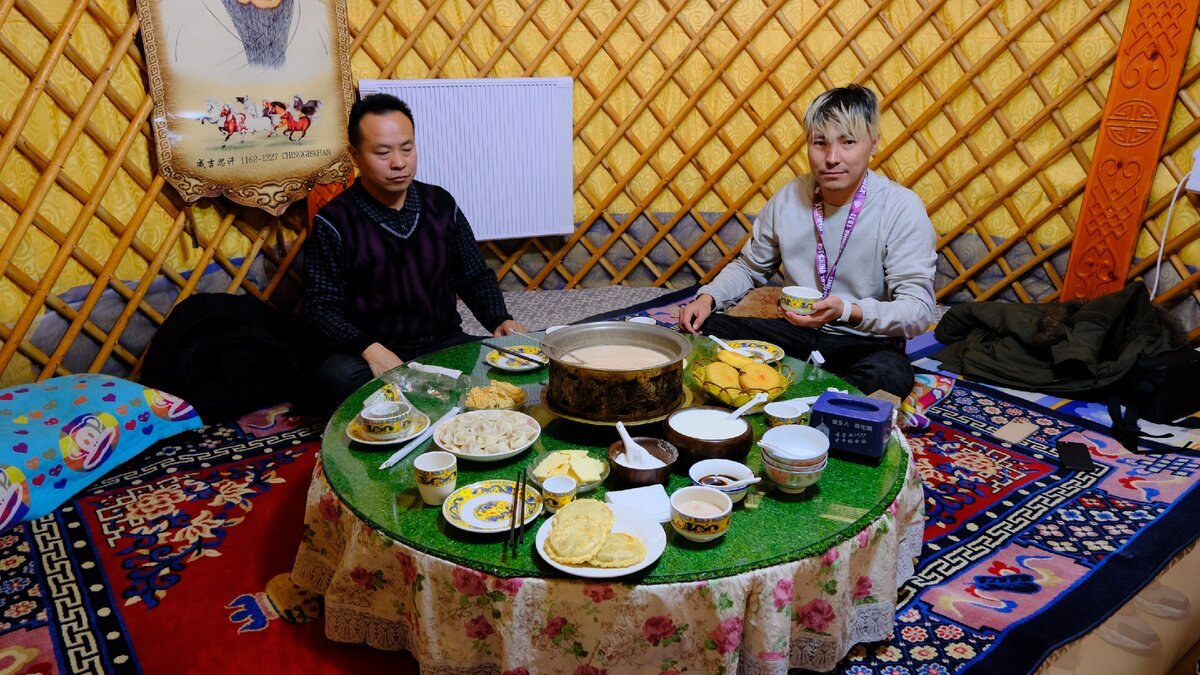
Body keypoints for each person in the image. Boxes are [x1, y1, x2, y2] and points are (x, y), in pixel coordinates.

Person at [678, 85, 936, 399]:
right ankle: (809, 395)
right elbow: (749, 268)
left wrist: (847, 310)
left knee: (889, 374)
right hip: (799, 334)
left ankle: (813, 404)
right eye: (820, 143)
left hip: (865, 342)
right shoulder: (790, 198)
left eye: (848, 142)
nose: (832, 158)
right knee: (706, 332)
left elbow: (918, 310)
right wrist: (707, 299)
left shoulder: (900, 208)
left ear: (874, 144)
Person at [302, 93, 526, 405]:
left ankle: (422, 389)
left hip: (444, 341)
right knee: (336, 377)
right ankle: (429, 390)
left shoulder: (440, 204)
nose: (399, 162)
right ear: (355, 156)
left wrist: (499, 320)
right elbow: (319, 307)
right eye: (383, 153)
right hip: (377, 349)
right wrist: (371, 349)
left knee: (513, 364)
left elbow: (474, 275)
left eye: (407, 149)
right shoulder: (335, 221)